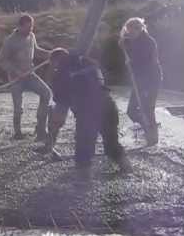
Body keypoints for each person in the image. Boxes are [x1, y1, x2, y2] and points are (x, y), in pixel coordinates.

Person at [43, 48, 132, 177]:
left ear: (55, 62)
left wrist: (53, 126)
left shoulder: (61, 75)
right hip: (108, 105)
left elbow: (61, 106)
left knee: (84, 146)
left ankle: (82, 180)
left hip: (87, 111)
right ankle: (127, 168)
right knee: (111, 142)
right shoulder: (90, 63)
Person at [0, 14, 53, 141]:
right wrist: (16, 71)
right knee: (18, 107)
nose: (30, 30)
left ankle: (40, 129)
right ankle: (17, 133)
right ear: (19, 26)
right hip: (16, 79)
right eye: (28, 27)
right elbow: (1, 60)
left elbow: (37, 50)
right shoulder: (10, 41)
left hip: (30, 75)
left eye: (32, 27)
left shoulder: (31, 36)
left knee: (46, 93)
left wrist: (50, 54)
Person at [119, 17, 162, 146]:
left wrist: (131, 61)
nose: (129, 34)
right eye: (128, 31)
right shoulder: (133, 40)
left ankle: (152, 137)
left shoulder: (148, 42)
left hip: (151, 79)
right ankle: (148, 128)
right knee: (131, 110)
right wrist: (122, 44)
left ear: (139, 29)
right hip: (139, 80)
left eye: (131, 31)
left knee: (148, 108)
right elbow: (124, 42)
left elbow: (146, 62)